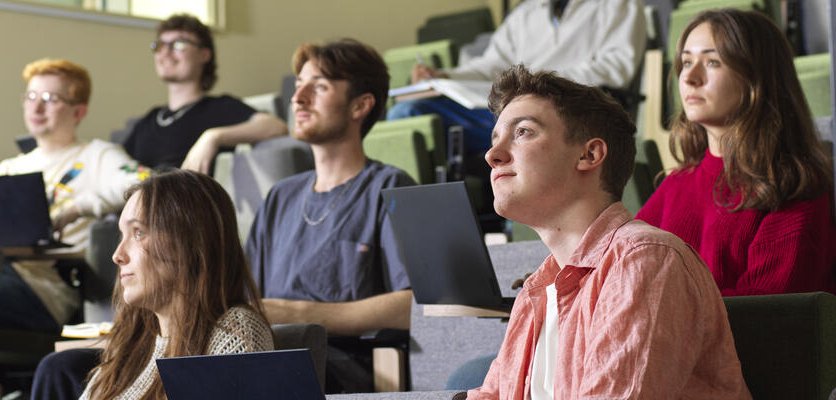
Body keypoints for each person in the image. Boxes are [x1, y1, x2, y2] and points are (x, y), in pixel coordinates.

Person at [465, 65, 749, 399]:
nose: (491, 155)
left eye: (523, 132)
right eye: (495, 139)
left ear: (589, 154)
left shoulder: (644, 260)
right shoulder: (537, 290)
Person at [244, 38, 415, 393]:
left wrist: (298, 317)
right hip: (265, 358)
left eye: (318, 87)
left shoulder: (389, 187)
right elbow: (247, 297)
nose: (298, 98)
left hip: (340, 365)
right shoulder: (280, 196)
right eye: (298, 86)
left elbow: (412, 304)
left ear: (360, 105)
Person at [635, 9, 835, 296]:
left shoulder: (793, 186)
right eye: (686, 62)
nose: (690, 77)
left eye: (712, 62)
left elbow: (766, 314)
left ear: (757, 79)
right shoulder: (676, 184)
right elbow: (621, 271)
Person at [31, 170, 274, 400]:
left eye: (138, 233)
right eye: (122, 235)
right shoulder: (133, 348)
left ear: (191, 242)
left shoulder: (236, 332)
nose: (118, 255)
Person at [389, 0, 646, 185]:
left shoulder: (618, 5)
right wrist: (446, 75)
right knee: (410, 113)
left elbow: (617, 68)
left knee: (412, 113)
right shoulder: (526, 13)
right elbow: (493, 64)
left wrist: (539, 80)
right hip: (512, 111)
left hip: (567, 112)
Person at [0, 58, 147, 333]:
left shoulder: (96, 155)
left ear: (78, 111)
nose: (36, 107)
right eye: (30, 96)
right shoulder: (9, 168)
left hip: (49, 291)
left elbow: (147, 182)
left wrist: (79, 207)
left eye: (50, 98)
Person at [122, 13, 287, 174]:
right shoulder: (150, 119)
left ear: (204, 55)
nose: (165, 53)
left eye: (179, 44)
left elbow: (276, 126)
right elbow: (118, 164)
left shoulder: (220, 107)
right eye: (160, 46)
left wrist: (213, 137)